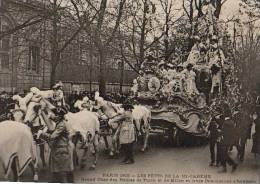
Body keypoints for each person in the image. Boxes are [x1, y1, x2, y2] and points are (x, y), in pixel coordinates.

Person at [39, 107, 74, 183]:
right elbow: (53, 118)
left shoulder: (61, 125)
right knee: (58, 174)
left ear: (60, 116)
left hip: (61, 151)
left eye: (56, 115)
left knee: (62, 174)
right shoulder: (61, 121)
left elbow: (52, 137)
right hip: (59, 150)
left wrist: (42, 134)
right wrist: (43, 111)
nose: (54, 117)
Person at [218, 103, 238, 173]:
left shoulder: (226, 123)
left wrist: (219, 131)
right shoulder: (231, 122)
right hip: (228, 140)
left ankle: (232, 164)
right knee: (223, 153)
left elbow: (224, 132)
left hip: (225, 140)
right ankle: (225, 167)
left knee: (223, 153)